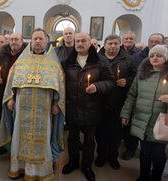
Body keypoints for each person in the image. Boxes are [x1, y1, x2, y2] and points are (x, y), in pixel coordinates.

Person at [0, 28, 65, 181]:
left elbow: (59, 85)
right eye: (35, 39)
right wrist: (11, 98)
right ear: (31, 41)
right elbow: (12, 81)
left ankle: (40, 171)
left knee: (44, 136)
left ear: (47, 42)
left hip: (45, 108)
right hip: (22, 106)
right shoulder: (21, 61)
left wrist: (56, 103)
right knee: (20, 136)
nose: (38, 42)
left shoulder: (53, 63)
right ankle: (18, 167)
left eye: (41, 39)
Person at [61, 33, 114, 181]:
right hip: (72, 107)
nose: (80, 43)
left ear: (90, 43)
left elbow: (110, 82)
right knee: (72, 138)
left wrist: (97, 86)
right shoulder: (68, 61)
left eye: (83, 40)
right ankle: (72, 162)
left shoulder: (100, 62)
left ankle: (87, 166)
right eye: (77, 41)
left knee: (89, 141)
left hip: (91, 108)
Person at [120, 45, 168, 181]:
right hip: (142, 118)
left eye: (159, 55)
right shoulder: (142, 74)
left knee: (159, 153)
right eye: (152, 55)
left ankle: (156, 178)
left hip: (161, 121)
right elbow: (132, 95)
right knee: (144, 151)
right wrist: (125, 113)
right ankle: (143, 176)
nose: (155, 58)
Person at [96, 34, 136, 169]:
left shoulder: (128, 59)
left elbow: (135, 77)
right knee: (100, 132)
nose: (113, 46)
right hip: (100, 103)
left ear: (120, 45)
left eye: (116, 44)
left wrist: (127, 81)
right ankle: (101, 155)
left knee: (115, 134)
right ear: (105, 45)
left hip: (118, 103)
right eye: (110, 43)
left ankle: (113, 156)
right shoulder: (96, 59)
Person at [0, 32, 28, 155]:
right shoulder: (2, 54)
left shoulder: (27, 55)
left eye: (16, 39)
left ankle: (17, 144)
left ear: (22, 41)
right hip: (3, 90)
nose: (13, 42)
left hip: (21, 93)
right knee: (4, 119)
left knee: (17, 120)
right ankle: (5, 143)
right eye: (12, 39)